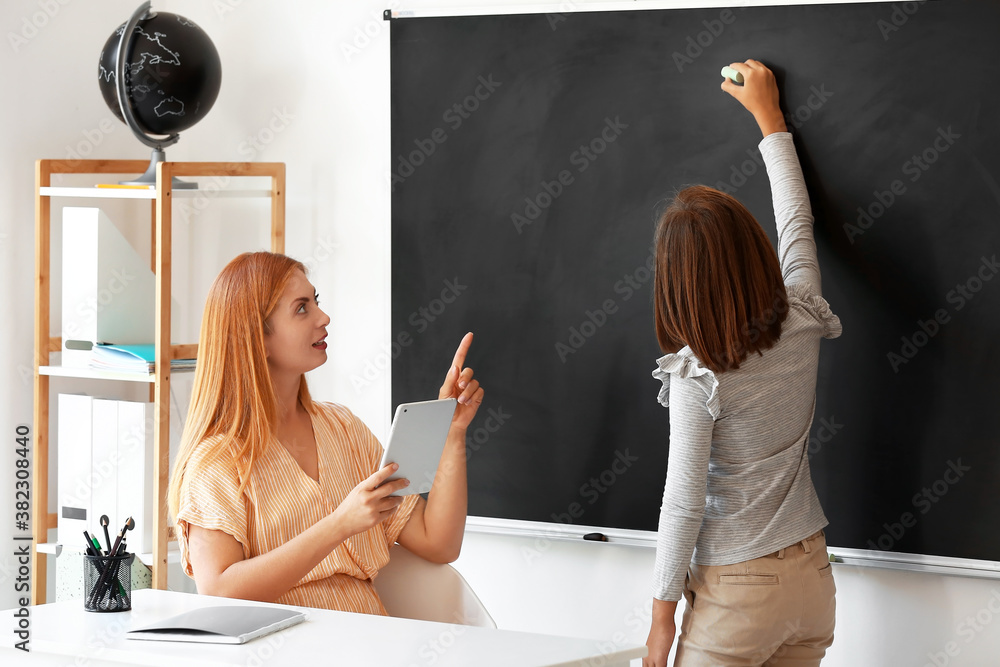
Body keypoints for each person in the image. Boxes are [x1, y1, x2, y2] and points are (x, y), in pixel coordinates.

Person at [644, 60, 841, 667]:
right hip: (811, 580)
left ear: (675, 287)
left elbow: (683, 500)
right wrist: (770, 119)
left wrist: (660, 622)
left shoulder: (697, 376)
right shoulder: (803, 320)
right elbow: (797, 226)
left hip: (738, 596)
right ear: (755, 252)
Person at [166, 251, 483, 615]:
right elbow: (218, 589)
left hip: (371, 644)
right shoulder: (217, 460)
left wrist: (453, 433)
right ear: (258, 337)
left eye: (316, 302)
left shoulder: (344, 429)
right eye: (302, 308)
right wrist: (338, 526)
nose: (323, 317)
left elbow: (438, 543)